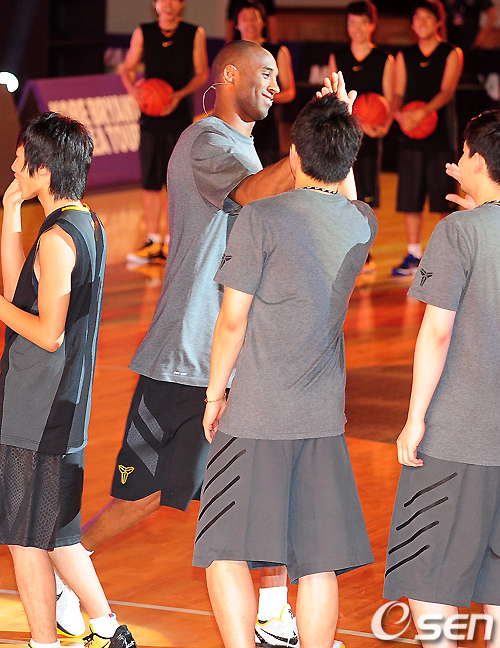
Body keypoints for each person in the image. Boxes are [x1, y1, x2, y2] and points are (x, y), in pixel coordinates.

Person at [57, 42, 356, 646]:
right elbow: (254, 193)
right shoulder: (205, 141)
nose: (275, 85)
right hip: (183, 355)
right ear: (230, 74)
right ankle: (71, 572)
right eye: (266, 74)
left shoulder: (244, 148)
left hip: (236, 363)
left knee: (261, 489)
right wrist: (314, 144)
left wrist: (332, 135)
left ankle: (272, 613)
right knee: (145, 496)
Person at [192, 91, 376, 648]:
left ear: (293, 155)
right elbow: (344, 197)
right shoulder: (361, 224)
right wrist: (342, 124)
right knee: (316, 563)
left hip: (255, 413)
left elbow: (231, 321)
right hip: (321, 416)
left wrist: (214, 395)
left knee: (224, 550)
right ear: (349, 160)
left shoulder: (260, 217)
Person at [0, 112, 136, 648]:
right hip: (62, 403)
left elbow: (47, 333)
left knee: (25, 539)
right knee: (57, 532)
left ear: (43, 169)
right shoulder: (86, 224)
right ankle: (107, 628)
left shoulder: (58, 239)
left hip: (39, 407)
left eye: (20, 161)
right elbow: (22, 289)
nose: (13, 168)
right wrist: (11, 210)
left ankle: (45, 641)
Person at [384, 109, 500, 648]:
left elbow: (436, 331)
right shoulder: (470, 227)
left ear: (476, 160)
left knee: (427, 571)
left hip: (458, 434)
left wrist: (414, 420)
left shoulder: (457, 232)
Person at [122, 0, 208, 264]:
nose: (169, 4)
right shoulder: (143, 31)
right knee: (150, 180)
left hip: (179, 117)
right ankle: (153, 240)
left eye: (175, 0)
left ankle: (173, 241)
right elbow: (127, 68)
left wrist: (178, 95)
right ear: (155, 4)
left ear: (181, 4)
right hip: (150, 117)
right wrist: (133, 90)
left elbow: (202, 73)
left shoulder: (194, 32)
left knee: (176, 182)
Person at [391, 0, 463, 276]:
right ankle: (414, 254)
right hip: (411, 133)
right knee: (410, 197)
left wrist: (423, 112)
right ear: (411, 23)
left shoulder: (451, 53)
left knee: (445, 197)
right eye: (417, 17)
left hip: (441, 134)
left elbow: (446, 92)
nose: (421, 22)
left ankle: (452, 255)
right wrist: (399, 115)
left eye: (427, 17)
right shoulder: (404, 55)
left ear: (438, 21)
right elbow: (398, 92)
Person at [329, 0, 394, 271]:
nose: (356, 28)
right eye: (351, 23)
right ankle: (342, 247)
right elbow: (334, 99)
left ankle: (364, 252)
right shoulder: (338, 57)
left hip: (368, 140)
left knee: (366, 196)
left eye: (361, 23)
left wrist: (383, 124)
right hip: (343, 136)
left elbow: (388, 101)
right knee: (340, 194)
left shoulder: (384, 59)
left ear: (372, 25)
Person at [232, 0, 296, 167]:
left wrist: (263, 98)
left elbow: (289, 92)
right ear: (237, 24)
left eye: (255, 18)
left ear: (263, 22)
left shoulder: (277, 52)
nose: (250, 23)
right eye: (245, 18)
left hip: (267, 128)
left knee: (267, 174)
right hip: (237, 127)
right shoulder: (231, 53)